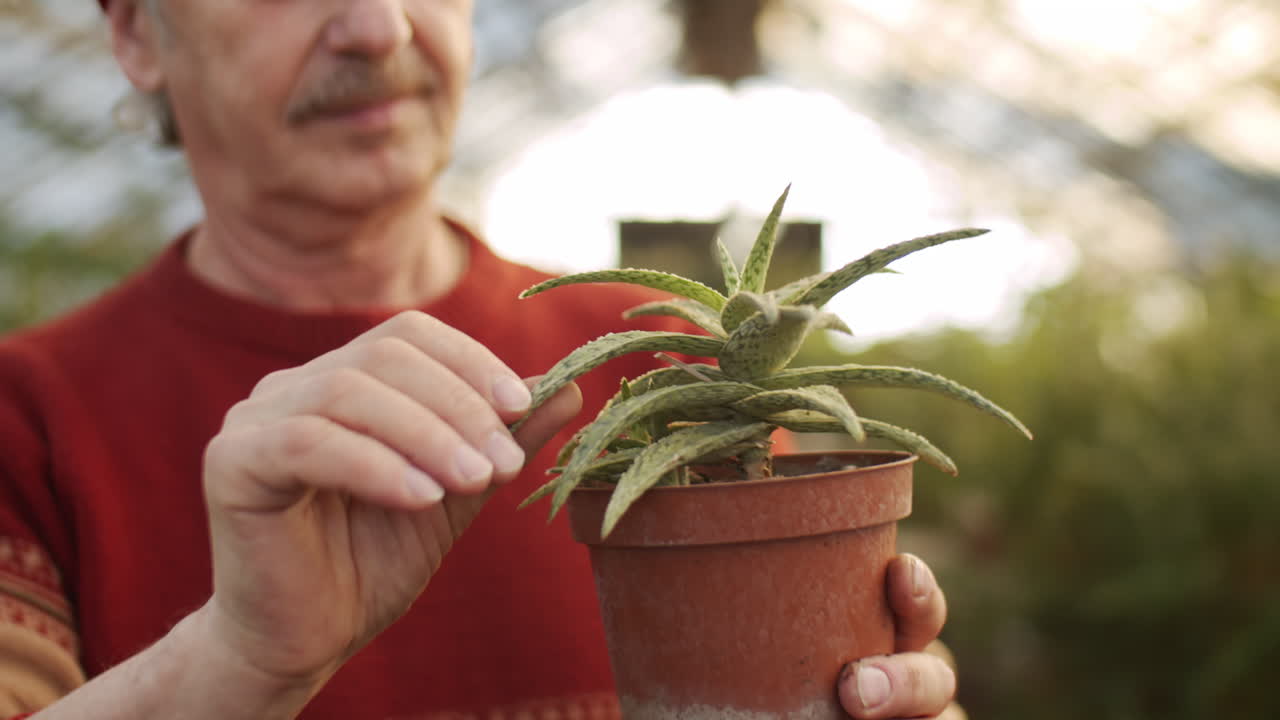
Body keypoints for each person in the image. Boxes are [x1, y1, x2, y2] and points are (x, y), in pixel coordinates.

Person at [0, 0, 961, 717]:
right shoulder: (27, 417)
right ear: (133, 32)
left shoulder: (658, 366)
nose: (378, 28)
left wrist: (894, 697)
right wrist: (237, 658)